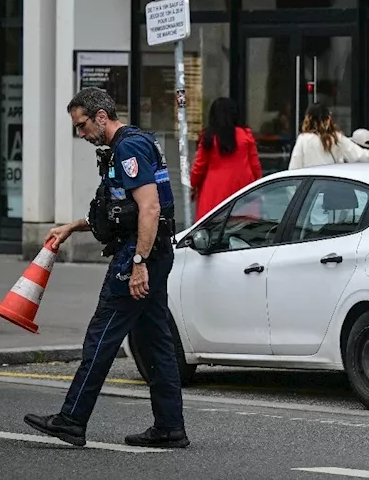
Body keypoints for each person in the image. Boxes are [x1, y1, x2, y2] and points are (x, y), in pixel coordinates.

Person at [23, 87, 188, 449]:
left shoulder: (128, 148)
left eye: (81, 126)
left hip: (142, 253)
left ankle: (71, 419)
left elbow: (149, 209)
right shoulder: (125, 146)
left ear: (101, 117)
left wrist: (138, 264)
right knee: (155, 340)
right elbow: (118, 210)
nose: (80, 134)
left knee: (103, 334)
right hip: (150, 251)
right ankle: (170, 427)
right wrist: (73, 225)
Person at [190, 97, 262, 221]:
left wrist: (193, 184)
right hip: (243, 190)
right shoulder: (246, 135)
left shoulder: (209, 138)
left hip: (214, 192)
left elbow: (199, 168)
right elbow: (255, 166)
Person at [288, 103, 369, 169]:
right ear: (328, 119)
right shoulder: (335, 138)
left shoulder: (303, 139)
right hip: (331, 188)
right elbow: (359, 156)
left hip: (311, 191)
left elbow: (294, 167)